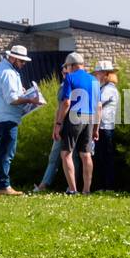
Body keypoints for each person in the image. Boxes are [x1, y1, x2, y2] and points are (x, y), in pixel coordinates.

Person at [0, 45, 42, 195]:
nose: (23, 65)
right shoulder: (9, 73)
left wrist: (22, 93)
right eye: (22, 61)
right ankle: (4, 186)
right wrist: (31, 99)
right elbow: (12, 99)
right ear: (14, 58)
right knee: (5, 153)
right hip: (5, 118)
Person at [52, 51, 100, 195]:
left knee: (66, 153)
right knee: (86, 155)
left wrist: (58, 124)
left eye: (67, 67)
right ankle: (86, 190)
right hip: (90, 118)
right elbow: (99, 106)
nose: (66, 69)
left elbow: (66, 103)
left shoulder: (70, 78)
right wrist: (96, 128)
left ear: (71, 66)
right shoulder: (95, 80)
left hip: (74, 117)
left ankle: (72, 189)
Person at [92, 59, 119, 190]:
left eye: (98, 73)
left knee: (105, 158)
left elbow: (98, 104)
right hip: (102, 127)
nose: (96, 75)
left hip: (105, 127)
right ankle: (102, 185)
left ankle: (107, 186)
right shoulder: (104, 88)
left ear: (105, 73)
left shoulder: (109, 89)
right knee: (101, 157)